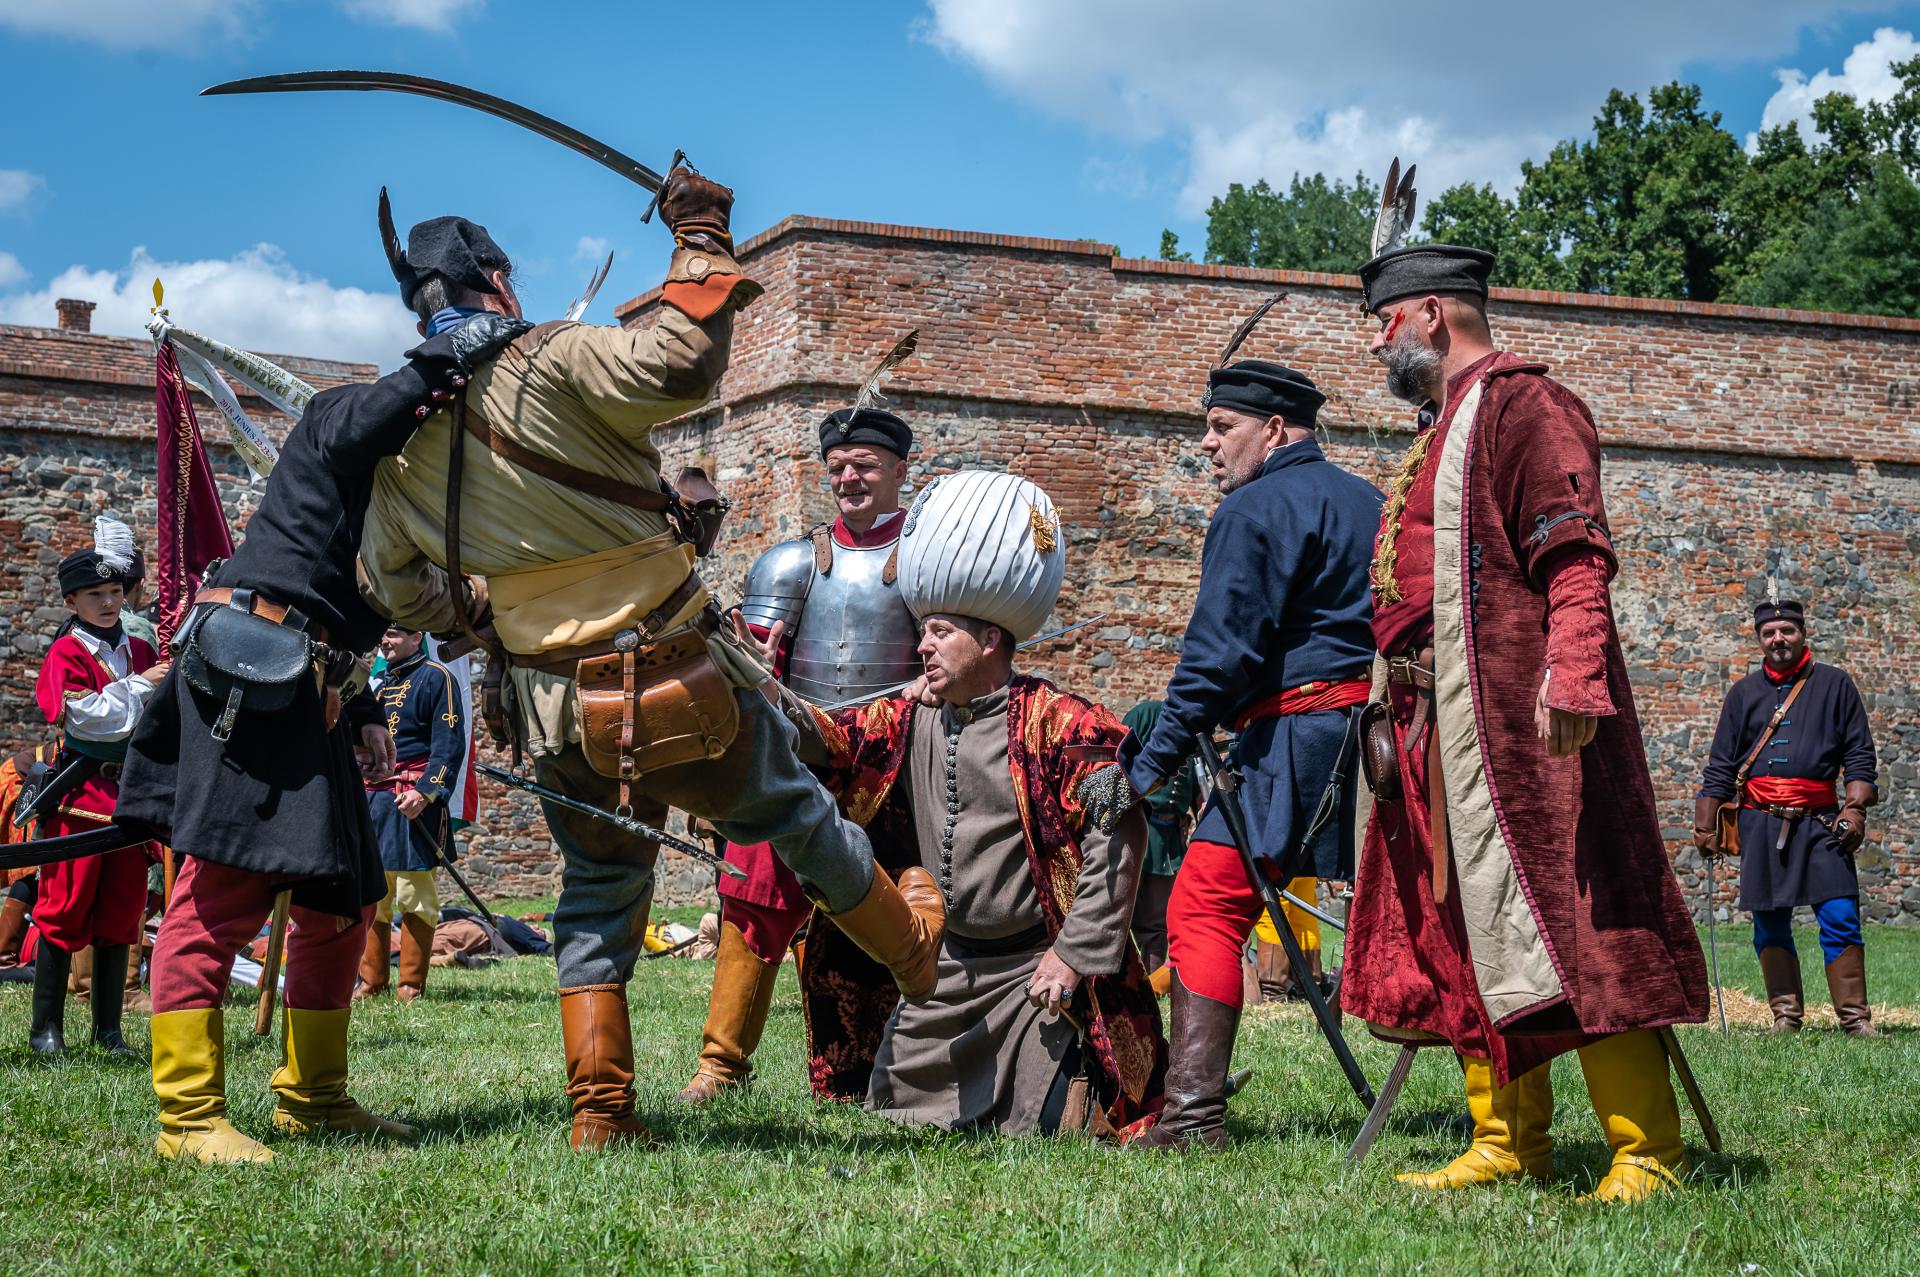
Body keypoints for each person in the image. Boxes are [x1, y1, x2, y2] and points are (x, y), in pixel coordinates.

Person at [354, 169, 944, 1150]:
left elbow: (396, 590)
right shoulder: (546, 356)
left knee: (595, 887)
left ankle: (602, 1109)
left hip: (553, 706)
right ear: (498, 281)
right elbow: (678, 367)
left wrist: (490, 606)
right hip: (680, 677)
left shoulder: (398, 435)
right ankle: (916, 954)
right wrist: (701, 233)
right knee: (800, 816)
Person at [1338, 229, 1710, 1203]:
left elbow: (1573, 547)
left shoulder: (1523, 405)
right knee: (1469, 925)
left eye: (1384, 321)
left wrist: (1575, 672)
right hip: (1435, 723)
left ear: (1432, 313)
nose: (1374, 342)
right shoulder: (1440, 425)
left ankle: (1647, 1151)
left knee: (1583, 924)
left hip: (1522, 727)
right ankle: (1507, 1139)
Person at [116, 293, 523, 1166]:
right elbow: (374, 418)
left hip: (319, 687)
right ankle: (188, 1118)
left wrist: (366, 706)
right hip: (251, 672)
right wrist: (451, 353)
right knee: (219, 896)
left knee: (344, 902)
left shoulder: (405, 487)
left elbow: (352, 604)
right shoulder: (341, 412)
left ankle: (315, 1097)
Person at [789, 470, 1166, 1135]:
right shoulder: (909, 718)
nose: (922, 646)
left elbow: (1119, 828)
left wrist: (1073, 953)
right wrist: (756, 688)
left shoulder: (1061, 724)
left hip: (1035, 972)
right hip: (945, 972)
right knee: (891, 1108)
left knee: (1059, 1121)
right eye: (924, 631)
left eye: (939, 632)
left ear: (989, 641)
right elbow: (828, 738)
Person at [1110, 358, 1382, 1150]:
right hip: (1377, 740)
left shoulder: (1254, 507)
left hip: (1293, 742)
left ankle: (1193, 1117)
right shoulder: (1372, 500)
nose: (1208, 442)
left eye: (1221, 427)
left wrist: (1146, 767)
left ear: (1274, 430)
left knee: (1202, 905)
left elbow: (1216, 659)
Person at [675, 397, 923, 1105]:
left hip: (898, 763)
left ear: (899, 470)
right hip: (800, 756)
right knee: (753, 898)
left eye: (864, 465)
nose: (848, 478)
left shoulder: (931, 559)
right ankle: (721, 1065)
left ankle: (910, 1066)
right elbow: (756, 674)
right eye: (837, 466)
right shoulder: (791, 563)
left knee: (912, 904)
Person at [1695, 598, 1879, 1036]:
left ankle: (1855, 1020)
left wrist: (1854, 809)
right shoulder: (1742, 694)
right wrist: (1705, 824)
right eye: (1769, 633)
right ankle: (1785, 1017)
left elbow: (1859, 754)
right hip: (1760, 823)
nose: (1778, 639)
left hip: (1821, 824)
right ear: (1760, 639)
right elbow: (1721, 764)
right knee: (1769, 923)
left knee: (1840, 916)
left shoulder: (1835, 685)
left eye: (1787, 631)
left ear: (1802, 632)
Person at [28, 518, 164, 1057]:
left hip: (132, 796)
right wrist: (141, 685)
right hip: (79, 798)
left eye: (114, 591)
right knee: (64, 908)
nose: (108, 603)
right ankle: (46, 1030)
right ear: (72, 601)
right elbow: (83, 717)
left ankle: (108, 1031)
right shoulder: (67, 652)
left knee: (122, 913)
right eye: (94, 595)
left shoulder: (142, 649)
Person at [356, 624, 467, 1003]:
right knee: (373, 891)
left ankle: (410, 986)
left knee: (414, 892)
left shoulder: (437, 678)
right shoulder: (376, 683)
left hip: (413, 798)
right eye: (383, 635)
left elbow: (449, 746)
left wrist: (426, 791)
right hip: (372, 799)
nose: (384, 641)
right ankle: (372, 982)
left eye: (393, 634)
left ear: (417, 637)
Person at [1118, 699, 1197, 975]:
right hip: (1138, 827)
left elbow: (1196, 787)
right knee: (1117, 914)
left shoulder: (1196, 728)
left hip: (1170, 840)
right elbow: (1117, 756)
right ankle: (1114, 984)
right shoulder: (1146, 715)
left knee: (1157, 924)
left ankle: (1151, 985)